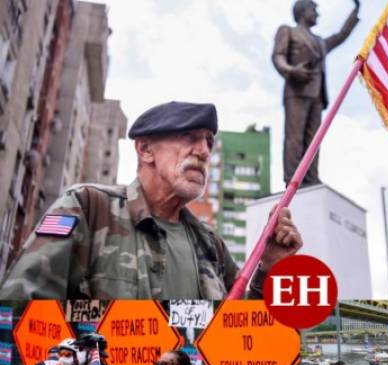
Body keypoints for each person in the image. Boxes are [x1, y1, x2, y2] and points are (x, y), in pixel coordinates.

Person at [0, 101, 303, 300]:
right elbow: (21, 307)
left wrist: (270, 265)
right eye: (189, 137)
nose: (204, 151)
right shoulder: (87, 207)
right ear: (146, 150)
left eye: (208, 142)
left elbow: (243, 335)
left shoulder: (211, 245)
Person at [272, 0, 360, 186]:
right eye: (314, 9)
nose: (317, 14)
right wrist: (291, 70)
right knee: (295, 138)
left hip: (317, 95)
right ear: (303, 11)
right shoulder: (288, 31)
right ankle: (293, 180)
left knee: (314, 140)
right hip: (296, 90)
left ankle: (311, 179)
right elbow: (278, 56)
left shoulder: (320, 42)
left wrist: (355, 12)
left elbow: (341, 35)